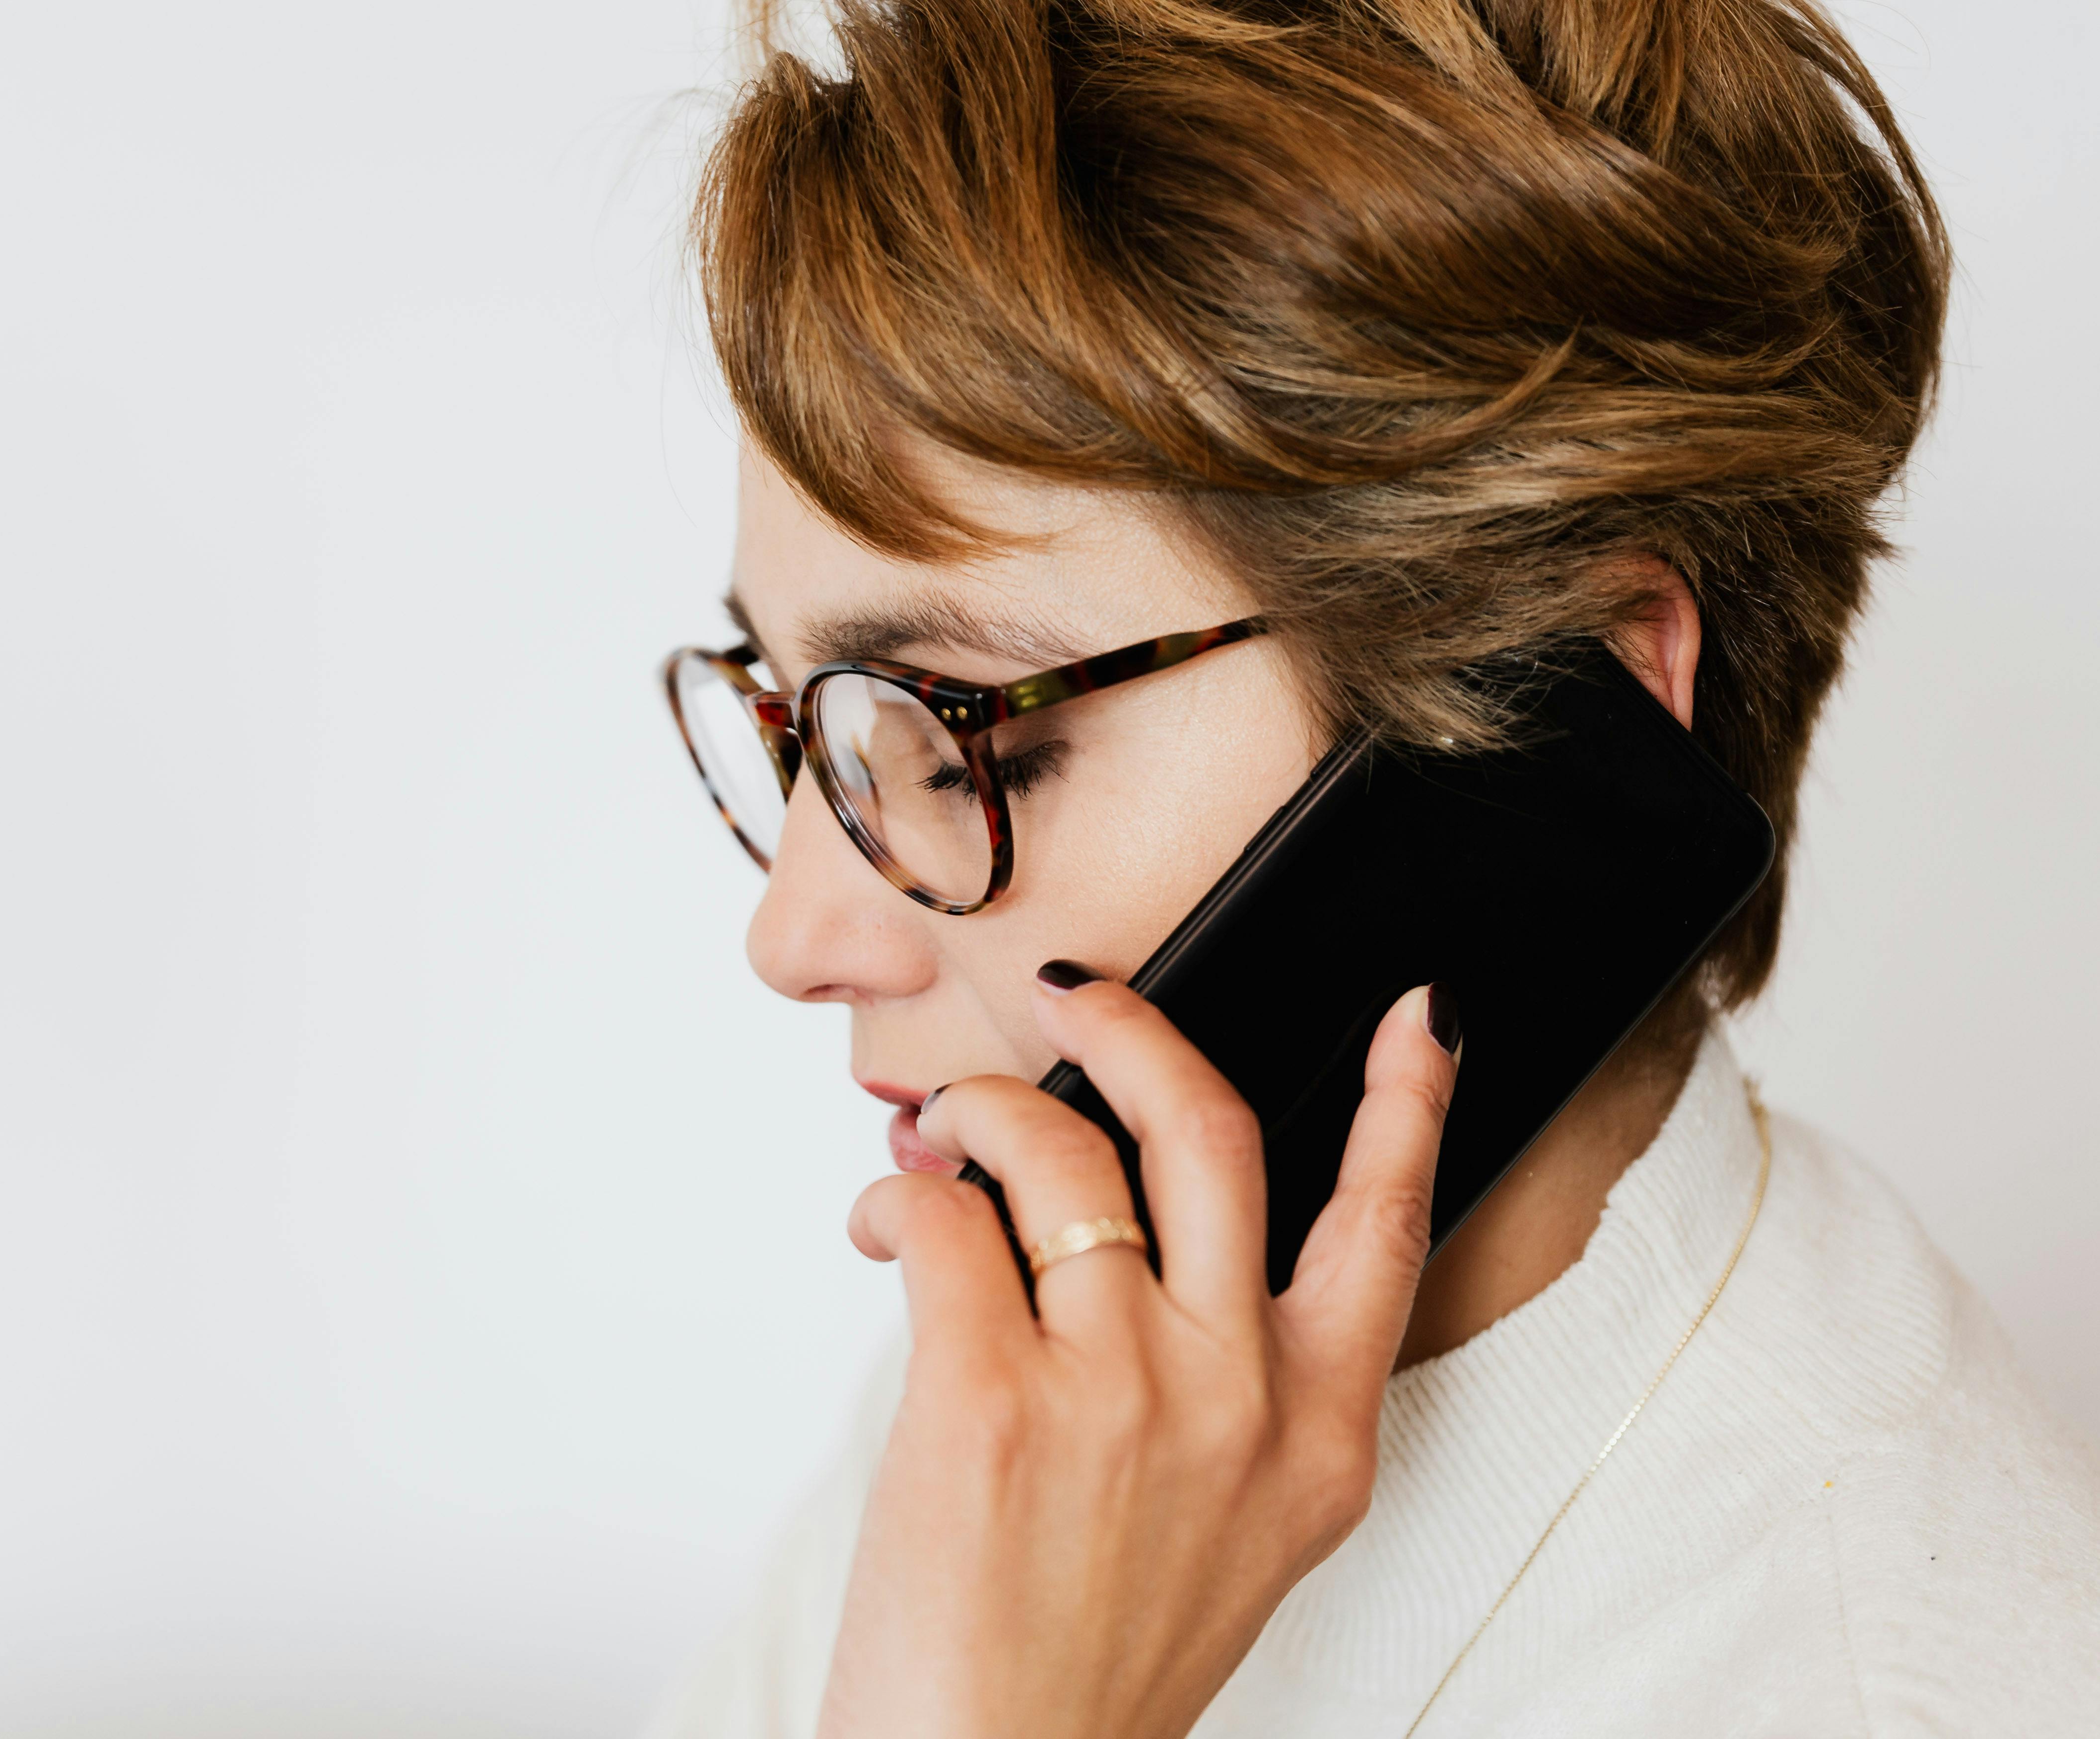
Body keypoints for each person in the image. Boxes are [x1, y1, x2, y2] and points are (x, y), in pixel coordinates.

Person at [646, 1, 2100, 1735]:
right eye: (800, 721)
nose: (794, 932)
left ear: (1559, 702)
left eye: (961, 728)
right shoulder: (1087, 1344)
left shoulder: (1889, 1681)